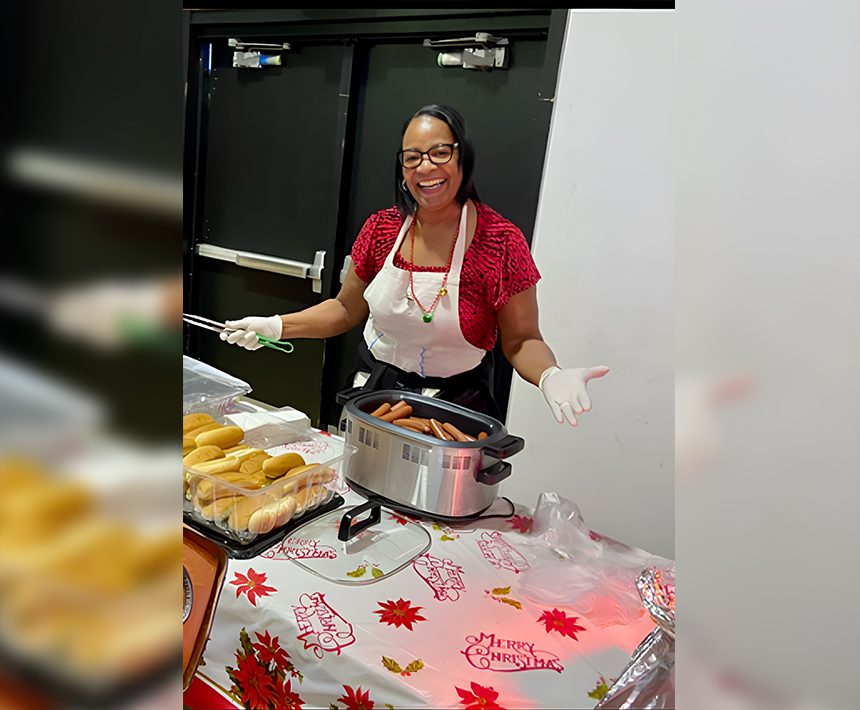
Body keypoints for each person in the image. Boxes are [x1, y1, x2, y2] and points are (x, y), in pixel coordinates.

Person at [221, 104, 608, 426]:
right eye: (412, 157)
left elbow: (522, 340)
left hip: (455, 409)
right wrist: (277, 326)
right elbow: (344, 309)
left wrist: (550, 375)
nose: (426, 168)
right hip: (375, 397)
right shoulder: (382, 227)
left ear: (463, 157)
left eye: (440, 152)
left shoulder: (500, 241)